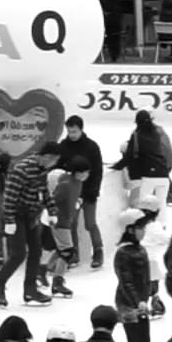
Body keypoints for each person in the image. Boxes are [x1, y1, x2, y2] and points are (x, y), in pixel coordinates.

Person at [0, 145, 55, 309]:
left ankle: (30, 290)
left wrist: (52, 210)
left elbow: (44, 191)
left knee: (36, 251)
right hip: (17, 216)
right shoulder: (22, 170)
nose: (54, 163)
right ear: (45, 156)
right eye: (53, 159)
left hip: (32, 215)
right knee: (18, 254)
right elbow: (9, 198)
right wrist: (10, 221)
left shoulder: (42, 170)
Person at [60, 116, 106, 270]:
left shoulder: (91, 146)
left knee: (90, 223)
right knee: (71, 222)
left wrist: (94, 190)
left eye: (74, 131)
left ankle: (98, 251)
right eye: (69, 131)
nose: (71, 134)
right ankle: (74, 253)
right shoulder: (64, 146)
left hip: (88, 192)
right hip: (72, 192)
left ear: (81, 129)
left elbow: (98, 170)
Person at [114, 209, 155, 342]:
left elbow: (145, 277)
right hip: (129, 305)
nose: (143, 231)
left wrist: (152, 294)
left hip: (141, 304)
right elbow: (126, 282)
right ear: (129, 229)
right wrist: (138, 302)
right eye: (140, 228)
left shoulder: (141, 249)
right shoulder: (123, 253)